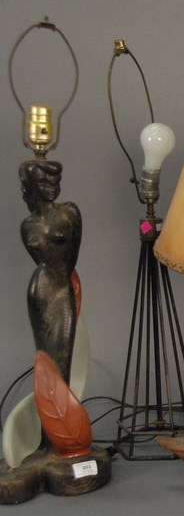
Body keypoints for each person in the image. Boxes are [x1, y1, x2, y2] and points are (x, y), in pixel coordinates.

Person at [19, 159, 82, 384]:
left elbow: (71, 257)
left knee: (62, 359)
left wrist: (61, 276)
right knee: (44, 357)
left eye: (56, 180)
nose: (53, 186)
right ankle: (46, 407)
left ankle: (60, 406)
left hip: (62, 287)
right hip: (39, 290)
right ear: (31, 185)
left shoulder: (69, 212)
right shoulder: (28, 225)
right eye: (45, 182)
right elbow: (40, 261)